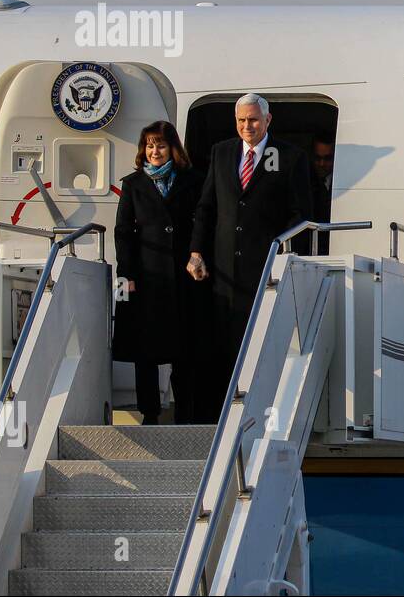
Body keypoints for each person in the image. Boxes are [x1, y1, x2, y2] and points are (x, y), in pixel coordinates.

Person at [187, 94, 312, 420]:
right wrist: (196, 251)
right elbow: (207, 207)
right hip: (223, 270)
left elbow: (300, 215)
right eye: (241, 121)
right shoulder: (222, 152)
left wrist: (277, 251)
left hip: (266, 268)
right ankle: (221, 415)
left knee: (261, 342)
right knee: (223, 345)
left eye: (253, 120)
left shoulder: (290, 157)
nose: (247, 127)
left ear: (267, 121)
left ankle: (259, 411)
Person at [114, 121, 210, 424]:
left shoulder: (192, 180)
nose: (155, 151)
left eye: (161, 145)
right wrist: (127, 274)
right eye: (150, 145)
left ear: (172, 148)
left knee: (185, 348)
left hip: (183, 274)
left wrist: (198, 254)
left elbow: (202, 221)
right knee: (147, 350)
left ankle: (185, 410)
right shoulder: (133, 184)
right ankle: (150, 412)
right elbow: (123, 232)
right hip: (147, 275)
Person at [308, 137, 334, 254]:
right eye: (318, 158)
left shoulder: (343, 181)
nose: (322, 164)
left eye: (328, 158)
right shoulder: (304, 182)